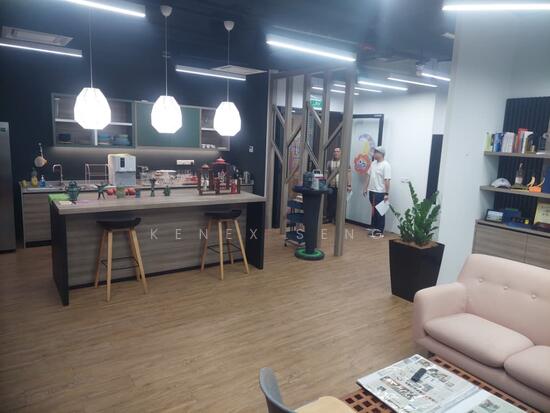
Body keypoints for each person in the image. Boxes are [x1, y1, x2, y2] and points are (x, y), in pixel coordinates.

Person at [363, 146, 391, 237]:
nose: (374, 154)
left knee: (380, 212)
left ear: (381, 154)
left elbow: (387, 180)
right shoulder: (373, 163)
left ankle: (379, 231)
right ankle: (374, 229)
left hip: (380, 193)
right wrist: (365, 188)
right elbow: (368, 175)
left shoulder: (386, 165)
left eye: (376, 152)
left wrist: (386, 193)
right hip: (372, 191)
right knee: (374, 212)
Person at [326, 147, 351, 224]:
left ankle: (337, 219)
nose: (336, 153)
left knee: (339, 203)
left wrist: (349, 185)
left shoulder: (345, 162)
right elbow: (327, 174)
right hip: (331, 186)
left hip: (341, 186)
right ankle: (329, 218)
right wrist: (325, 183)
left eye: (338, 151)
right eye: (335, 151)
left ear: (341, 153)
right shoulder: (329, 163)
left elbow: (348, 174)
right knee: (330, 202)